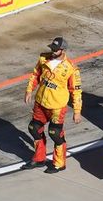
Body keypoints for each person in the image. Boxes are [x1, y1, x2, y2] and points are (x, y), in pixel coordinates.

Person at [22, 37, 82, 174]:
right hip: (40, 102)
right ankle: (39, 159)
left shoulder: (71, 69)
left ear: (63, 50)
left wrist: (77, 111)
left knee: (55, 133)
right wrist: (29, 90)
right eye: (52, 48)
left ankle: (59, 163)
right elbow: (35, 75)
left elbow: (76, 91)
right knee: (34, 128)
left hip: (57, 106)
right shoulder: (44, 59)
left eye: (55, 49)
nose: (52, 51)